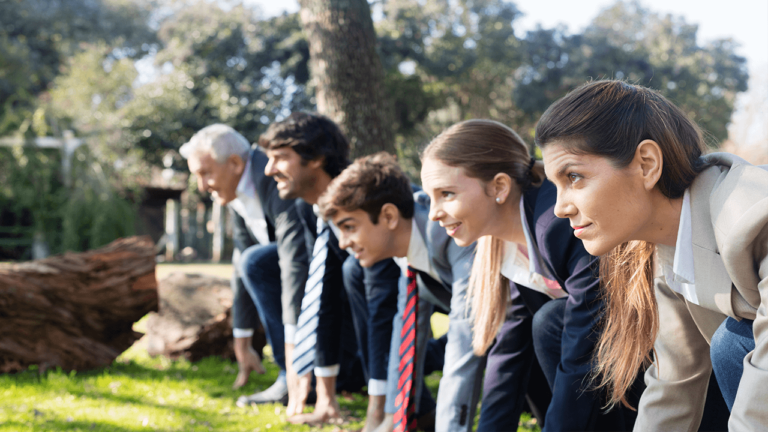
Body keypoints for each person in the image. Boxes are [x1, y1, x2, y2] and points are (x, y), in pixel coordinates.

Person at [535, 80, 755, 430]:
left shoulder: (752, 216)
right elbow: (673, 382)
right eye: (556, 185)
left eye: (574, 177)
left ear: (647, 164)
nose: (560, 208)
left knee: (733, 343)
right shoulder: (669, 249)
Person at [419, 119, 638, 431]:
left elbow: (583, 343)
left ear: (499, 187)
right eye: (431, 197)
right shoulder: (504, 246)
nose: (433, 213)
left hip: (656, 357)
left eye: (447, 194)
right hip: (607, 361)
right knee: (542, 326)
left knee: (551, 321)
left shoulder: (558, 224)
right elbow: (507, 353)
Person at [318, 152, 481, 432]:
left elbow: (464, 344)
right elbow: (405, 337)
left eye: (349, 227)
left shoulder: (448, 234)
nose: (343, 243)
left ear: (389, 216)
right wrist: (393, 420)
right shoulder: (406, 250)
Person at [259, 112, 388, 425]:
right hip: (365, 306)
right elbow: (323, 295)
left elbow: (382, 308)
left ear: (315, 158)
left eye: (280, 158)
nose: (269, 169)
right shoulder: (308, 207)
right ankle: (331, 402)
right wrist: (326, 401)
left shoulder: (364, 198)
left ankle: (397, 407)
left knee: (354, 276)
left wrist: (376, 418)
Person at [180, 124, 309, 405]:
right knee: (251, 260)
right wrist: (242, 340)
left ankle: (294, 374)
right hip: (296, 282)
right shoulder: (237, 192)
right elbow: (241, 264)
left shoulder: (273, 175)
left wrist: (292, 350)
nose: (202, 186)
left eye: (206, 173)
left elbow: (294, 259)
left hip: (325, 279)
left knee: (257, 261)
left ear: (235, 163)